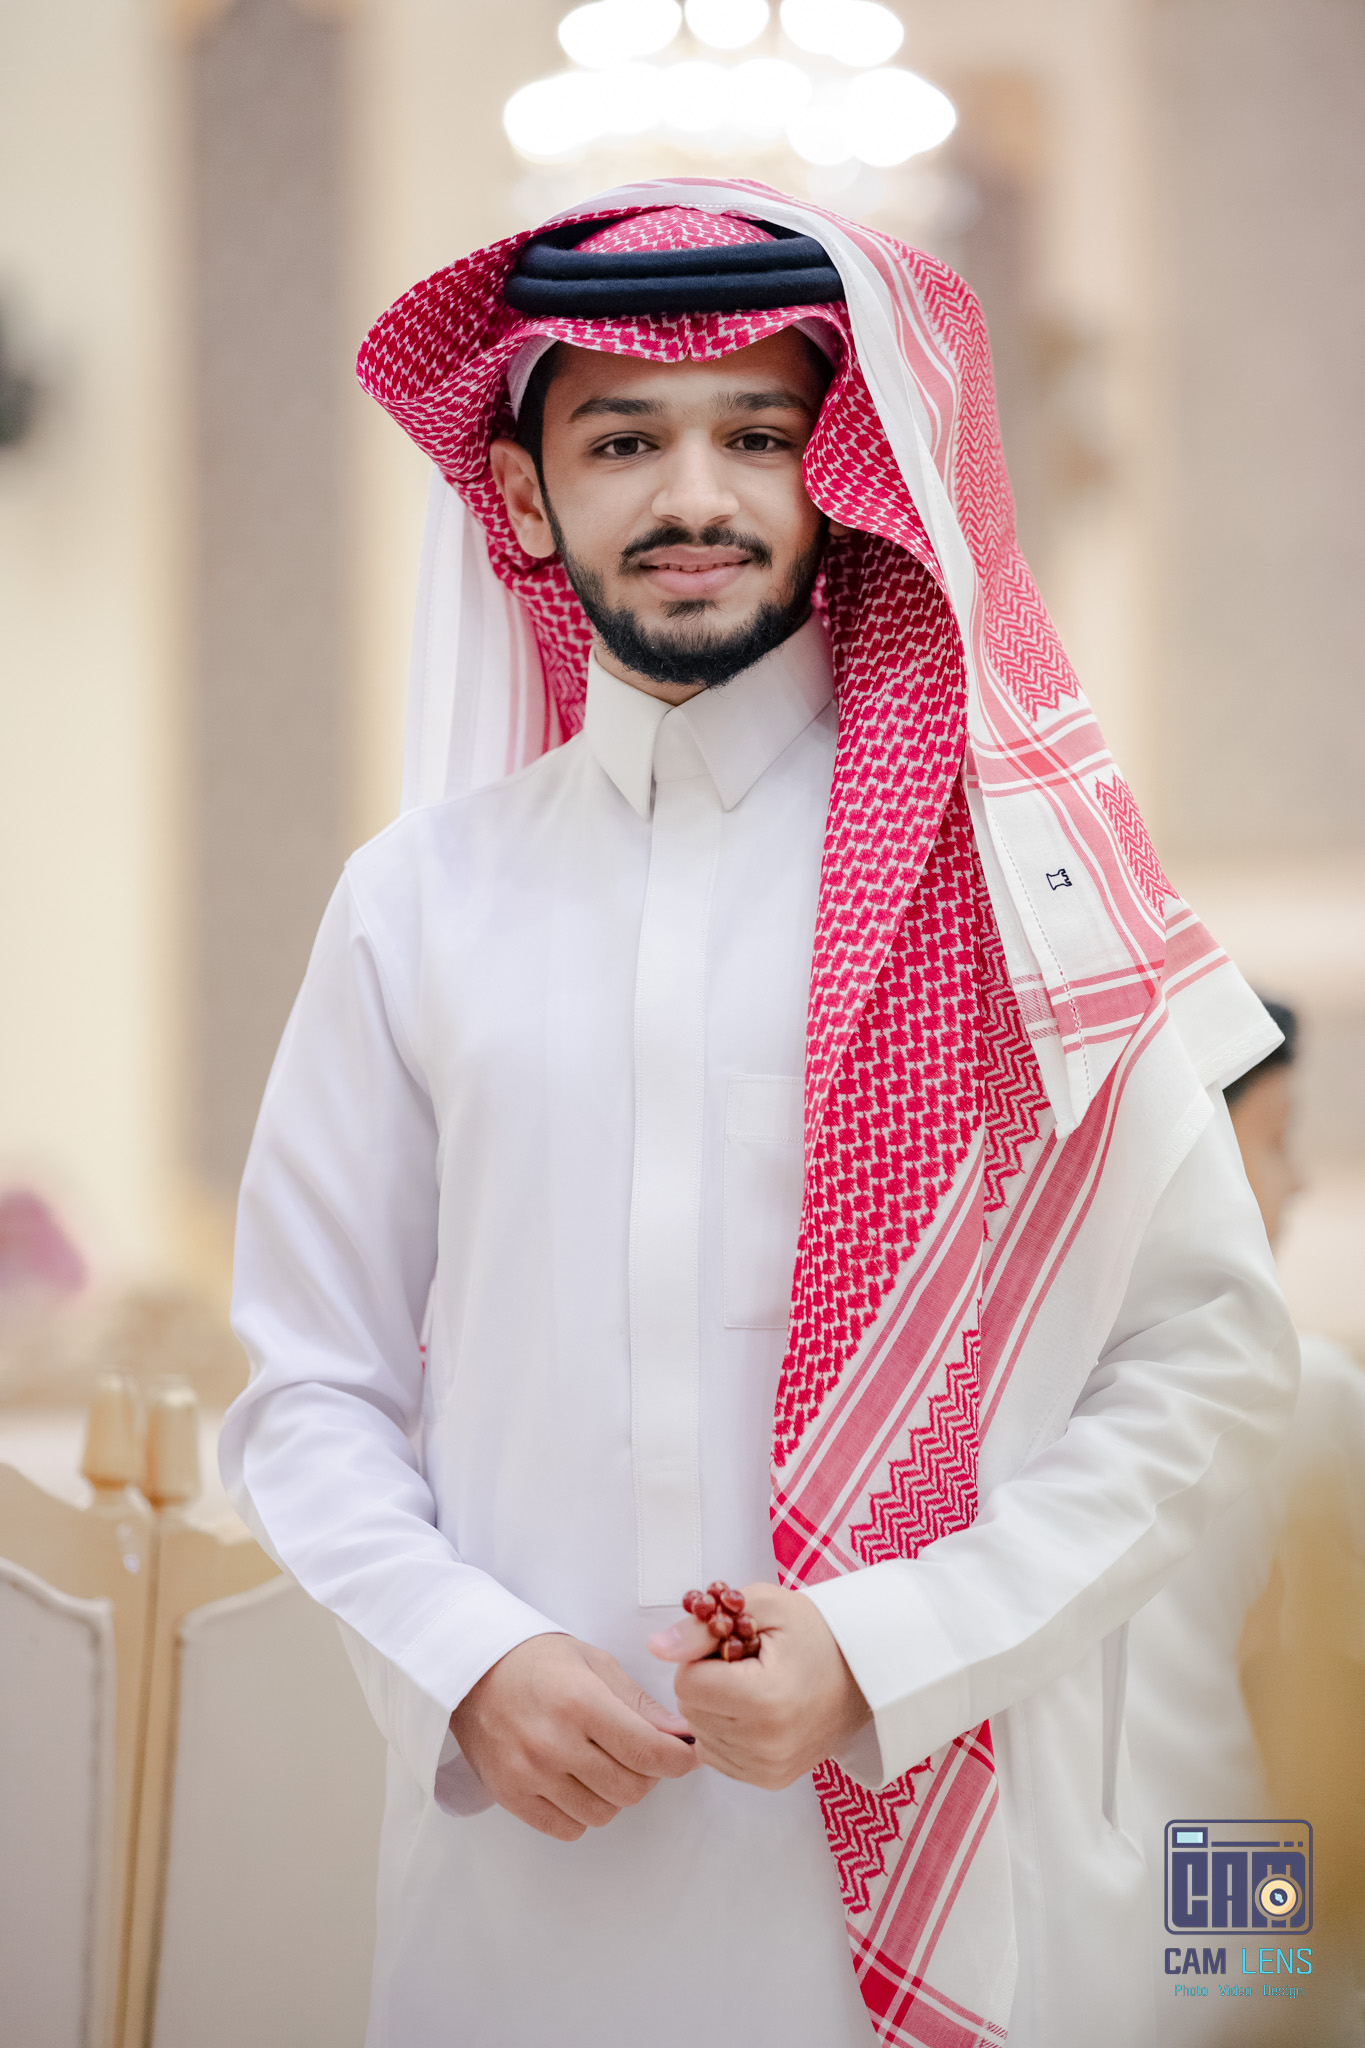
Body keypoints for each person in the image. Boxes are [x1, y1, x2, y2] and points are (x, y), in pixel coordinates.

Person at [219, 185, 1297, 2048]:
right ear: (524, 495)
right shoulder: (417, 903)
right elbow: (308, 1386)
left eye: (759, 434)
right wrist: (465, 1660)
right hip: (520, 1886)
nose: (695, 494)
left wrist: (888, 1650)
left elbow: (1204, 1359)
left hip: (935, 1819)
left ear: (841, 475)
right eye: (623, 439)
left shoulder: (1012, 898)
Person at [1126, 1002, 1365, 2043]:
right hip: (1241, 1906)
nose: (1298, 1180)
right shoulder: (1301, 1393)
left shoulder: (1002, 1410)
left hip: (1059, 1934)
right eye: (1273, 1140)